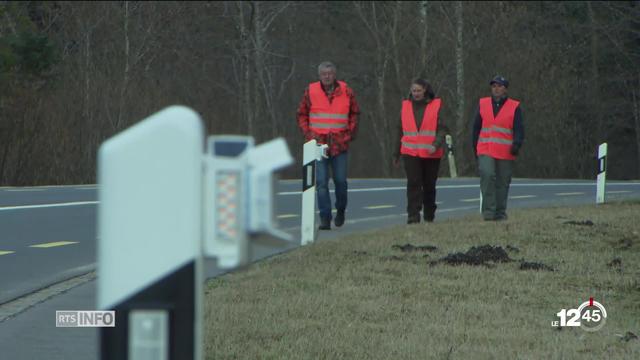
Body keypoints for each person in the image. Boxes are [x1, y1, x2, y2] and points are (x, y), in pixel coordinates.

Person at [297, 61, 360, 230]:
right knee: (321, 182)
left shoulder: (346, 91)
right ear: (319, 76)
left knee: (340, 181)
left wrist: (350, 133)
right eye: (324, 74)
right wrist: (308, 134)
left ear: (335, 74)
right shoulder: (310, 91)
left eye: (330, 73)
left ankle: (340, 210)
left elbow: (355, 113)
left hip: (340, 144)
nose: (327, 76)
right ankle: (325, 217)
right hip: (318, 144)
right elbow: (302, 114)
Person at [393, 78, 448, 224]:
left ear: (425, 90)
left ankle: (429, 213)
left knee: (429, 184)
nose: (416, 93)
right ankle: (413, 215)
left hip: (431, 153)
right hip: (410, 152)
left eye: (418, 90)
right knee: (413, 182)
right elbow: (399, 130)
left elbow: (442, 129)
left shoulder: (436, 105)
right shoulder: (405, 106)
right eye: (413, 90)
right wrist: (396, 153)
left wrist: (435, 145)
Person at [471, 75, 524, 221]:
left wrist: (516, 144)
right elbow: (476, 128)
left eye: (499, 86)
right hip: (485, 149)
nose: (496, 89)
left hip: (505, 151)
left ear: (505, 89)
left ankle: (500, 213)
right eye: (494, 86)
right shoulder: (483, 104)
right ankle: (488, 212)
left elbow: (519, 129)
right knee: (487, 176)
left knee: (502, 182)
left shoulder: (514, 106)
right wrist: (475, 148)